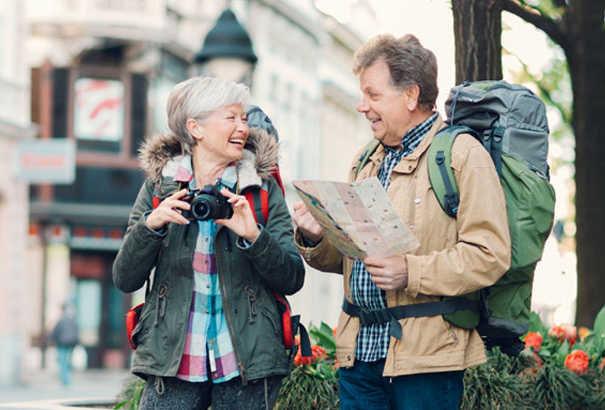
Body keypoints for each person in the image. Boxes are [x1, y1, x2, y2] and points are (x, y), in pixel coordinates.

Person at [291, 34, 511, 410]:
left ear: (410, 96)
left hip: (426, 362)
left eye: (373, 95)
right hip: (360, 356)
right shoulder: (366, 159)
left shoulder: (461, 155)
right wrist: (316, 238)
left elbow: (490, 255)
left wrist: (410, 272)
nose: (362, 107)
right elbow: (353, 257)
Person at [113, 76, 305, 410]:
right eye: (230, 117)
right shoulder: (160, 188)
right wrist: (152, 225)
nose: (242, 127)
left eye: (243, 118)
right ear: (195, 128)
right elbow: (124, 277)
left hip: (245, 362)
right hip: (173, 360)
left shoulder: (260, 189)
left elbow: (292, 277)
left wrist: (253, 237)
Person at [51, 303, 78, 387]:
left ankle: (65, 379)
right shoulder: (71, 319)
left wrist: (52, 339)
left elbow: (55, 331)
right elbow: (75, 331)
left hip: (62, 343)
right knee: (66, 361)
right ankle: (66, 378)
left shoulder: (61, 320)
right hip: (70, 343)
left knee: (62, 361)